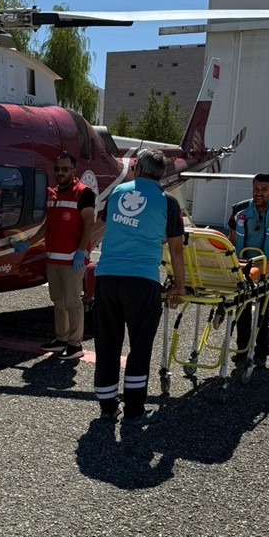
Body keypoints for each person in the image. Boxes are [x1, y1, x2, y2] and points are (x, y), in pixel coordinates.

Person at [92, 149, 185, 425]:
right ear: (162, 174)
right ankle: (134, 409)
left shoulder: (118, 193)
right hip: (142, 279)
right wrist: (179, 285)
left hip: (107, 276)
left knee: (107, 343)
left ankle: (107, 406)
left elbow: (110, 225)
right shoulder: (168, 202)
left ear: (136, 169)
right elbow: (177, 250)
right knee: (139, 346)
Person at [15, 152, 96, 362]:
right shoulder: (52, 194)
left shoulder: (84, 193)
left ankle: (75, 344)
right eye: (57, 169)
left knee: (72, 303)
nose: (60, 173)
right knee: (58, 301)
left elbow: (88, 224)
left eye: (65, 169)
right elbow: (47, 226)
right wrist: (28, 243)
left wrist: (80, 252)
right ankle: (62, 339)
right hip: (54, 259)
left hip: (72, 261)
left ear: (73, 171)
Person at [228, 172, 269, 369]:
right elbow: (231, 240)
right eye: (256, 189)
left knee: (265, 311)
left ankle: (261, 353)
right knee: (242, 309)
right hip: (243, 268)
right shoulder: (239, 210)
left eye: (264, 190)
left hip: (268, 269)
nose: (259, 193)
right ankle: (242, 350)